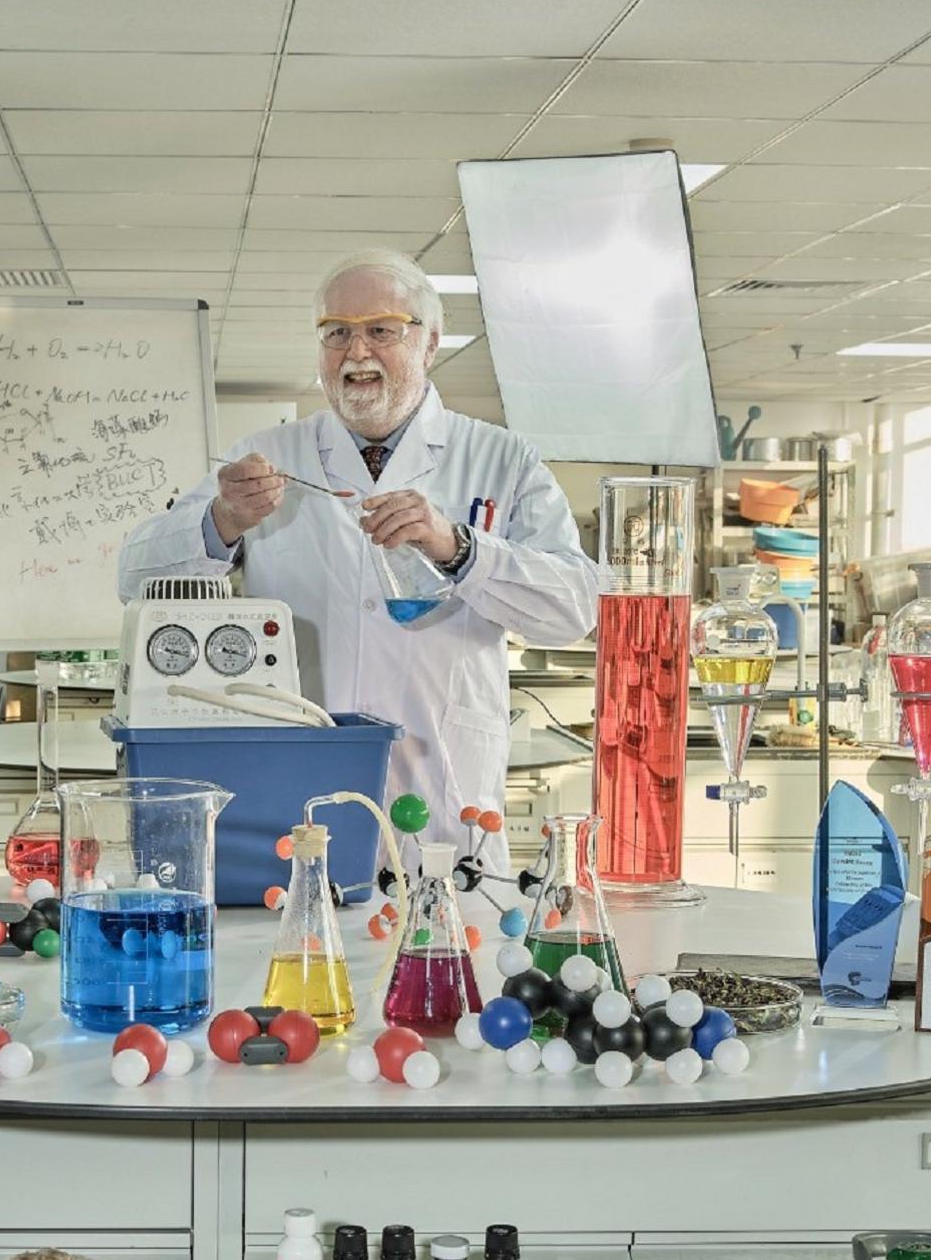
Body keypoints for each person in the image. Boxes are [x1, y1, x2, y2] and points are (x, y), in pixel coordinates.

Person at [117, 249, 597, 857]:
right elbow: (134, 577)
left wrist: (460, 549)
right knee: (302, 930)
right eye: (336, 333)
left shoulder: (503, 459)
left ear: (429, 344)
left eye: (381, 331)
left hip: (446, 794)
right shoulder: (264, 455)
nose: (357, 351)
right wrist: (222, 522)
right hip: (295, 795)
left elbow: (574, 609)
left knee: (442, 933)